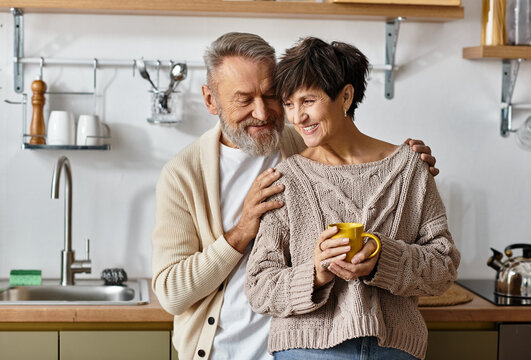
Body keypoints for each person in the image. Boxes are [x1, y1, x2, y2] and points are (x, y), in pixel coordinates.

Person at [151, 32, 440, 360]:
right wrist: (241, 232)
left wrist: (405, 164)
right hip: (223, 350)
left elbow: (354, 155)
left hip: (297, 346)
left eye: (272, 96)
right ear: (210, 100)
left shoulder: (306, 142)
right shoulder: (183, 175)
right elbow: (172, 294)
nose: (262, 112)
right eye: (244, 100)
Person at [244, 37, 460, 360]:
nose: (297, 117)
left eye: (308, 101)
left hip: (394, 349)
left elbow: (443, 268)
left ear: (345, 96)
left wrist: (382, 258)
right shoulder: (287, 180)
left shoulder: (409, 170)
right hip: (307, 350)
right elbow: (260, 287)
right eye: (289, 104)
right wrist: (315, 273)